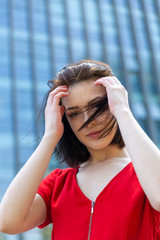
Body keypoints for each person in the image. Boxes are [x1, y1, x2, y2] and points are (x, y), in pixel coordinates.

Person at [0, 60, 160, 239]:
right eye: (74, 114)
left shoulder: (146, 175)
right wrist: (50, 137)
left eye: (97, 106)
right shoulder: (59, 185)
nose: (88, 120)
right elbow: (8, 221)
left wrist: (123, 110)